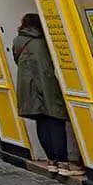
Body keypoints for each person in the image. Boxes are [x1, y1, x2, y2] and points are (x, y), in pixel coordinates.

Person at [13, 13, 81, 176]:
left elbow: (16, 60)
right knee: (56, 121)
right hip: (48, 84)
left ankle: (52, 161)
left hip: (28, 88)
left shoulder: (17, 41)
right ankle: (64, 163)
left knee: (41, 122)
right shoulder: (45, 41)